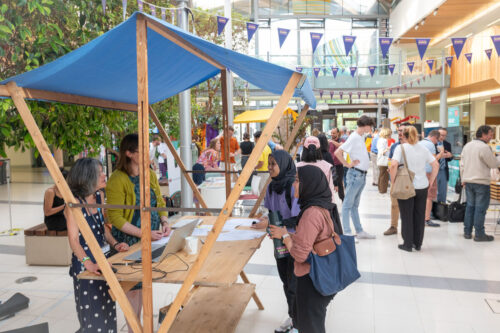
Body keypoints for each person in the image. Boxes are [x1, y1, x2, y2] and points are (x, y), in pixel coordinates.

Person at [106, 134, 171, 332]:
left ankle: (139, 326)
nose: (147, 153)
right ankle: (135, 328)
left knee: (143, 286)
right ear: (129, 153)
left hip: (150, 237)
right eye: (141, 150)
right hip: (128, 240)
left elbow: (159, 201)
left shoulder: (149, 173)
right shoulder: (117, 179)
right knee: (132, 290)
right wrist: (144, 234)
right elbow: (115, 217)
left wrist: (165, 221)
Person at [65, 158, 129, 333]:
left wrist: (116, 244)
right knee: (93, 317)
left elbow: (102, 228)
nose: (104, 175)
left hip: (104, 262)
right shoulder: (74, 205)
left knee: (108, 310)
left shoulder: (99, 196)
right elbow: (74, 240)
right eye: (99, 172)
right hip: (87, 265)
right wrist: (88, 263)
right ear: (87, 177)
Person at [269, 165, 335, 333]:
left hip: (311, 280)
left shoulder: (311, 214)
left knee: (311, 326)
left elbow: (299, 254)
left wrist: (285, 237)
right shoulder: (321, 206)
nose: (293, 184)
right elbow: (310, 241)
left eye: (298, 181)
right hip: (319, 278)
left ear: (310, 184)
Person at [252, 150, 300, 333]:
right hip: (279, 243)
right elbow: (271, 212)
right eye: (269, 163)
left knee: (294, 283)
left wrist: (274, 224)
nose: (269, 167)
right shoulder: (272, 186)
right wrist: (264, 219)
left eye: (273, 164)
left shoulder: (292, 186)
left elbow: (299, 218)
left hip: (293, 241)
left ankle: (298, 323)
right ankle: (293, 317)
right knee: (286, 282)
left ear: (284, 164)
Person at [389, 126, 439, 252]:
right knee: (419, 215)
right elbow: (435, 164)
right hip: (422, 186)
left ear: (403, 136)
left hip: (406, 186)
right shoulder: (423, 148)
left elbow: (394, 165)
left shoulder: (401, 148)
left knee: (407, 215)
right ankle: (418, 243)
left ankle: (407, 244)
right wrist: (430, 182)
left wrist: (393, 181)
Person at [334, 116, 376, 239]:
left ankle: (359, 230)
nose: (371, 128)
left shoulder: (359, 137)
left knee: (354, 205)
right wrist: (347, 164)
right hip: (355, 175)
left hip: (360, 175)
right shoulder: (354, 137)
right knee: (347, 205)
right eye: (370, 126)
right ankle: (347, 232)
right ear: (366, 125)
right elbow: (338, 152)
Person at [460, 125, 500, 241]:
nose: (491, 137)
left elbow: (462, 164)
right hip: (481, 182)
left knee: (470, 207)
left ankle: (467, 232)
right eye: (490, 135)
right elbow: (493, 164)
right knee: (480, 208)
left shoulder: (467, 146)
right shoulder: (484, 147)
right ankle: (479, 234)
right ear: (483, 134)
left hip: (468, 182)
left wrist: (463, 179)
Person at [384, 123, 408, 236]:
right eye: (398, 130)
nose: (399, 133)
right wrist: (390, 168)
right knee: (394, 204)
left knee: (408, 204)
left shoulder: (413, 146)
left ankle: (408, 227)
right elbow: (390, 160)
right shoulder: (394, 146)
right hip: (396, 177)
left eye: (402, 130)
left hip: (410, 179)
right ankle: (393, 226)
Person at [297, 136, 335, 203]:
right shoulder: (326, 166)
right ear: (319, 149)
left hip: (302, 204)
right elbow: (330, 188)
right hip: (322, 204)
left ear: (304, 149)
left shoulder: (297, 167)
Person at [418, 130, 444, 227]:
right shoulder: (431, 145)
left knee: (420, 196)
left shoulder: (419, 143)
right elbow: (433, 160)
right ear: (434, 137)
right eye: (438, 140)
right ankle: (427, 219)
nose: (437, 142)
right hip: (429, 173)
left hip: (419, 172)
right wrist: (441, 152)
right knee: (429, 196)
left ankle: (420, 218)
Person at [436, 128, 453, 203]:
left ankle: (441, 209)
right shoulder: (432, 144)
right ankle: (431, 210)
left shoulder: (447, 144)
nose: (442, 137)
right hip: (434, 169)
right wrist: (442, 155)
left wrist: (450, 156)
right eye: (441, 135)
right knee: (433, 192)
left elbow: (450, 158)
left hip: (443, 170)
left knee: (443, 191)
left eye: (444, 135)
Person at [329, 128, 345, 201]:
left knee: (339, 183)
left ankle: (342, 199)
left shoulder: (342, 140)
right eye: (331, 133)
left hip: (339, 165)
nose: (332, 134)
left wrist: (331, 141)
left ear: (338, 133)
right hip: (330, 165)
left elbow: (340, 146)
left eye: (334, 133)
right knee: (329, 183)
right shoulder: (328, 142)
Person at [376, 128, 392, 194]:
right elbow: (382, 152)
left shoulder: (380, 140)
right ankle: (383, 190)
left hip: (380, 160)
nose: (391, 135)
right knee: (384, 177)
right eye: (390, 134)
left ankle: (381, 189)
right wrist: (389, 147)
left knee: (381, 175)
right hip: (383, 160)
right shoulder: (384, 141)